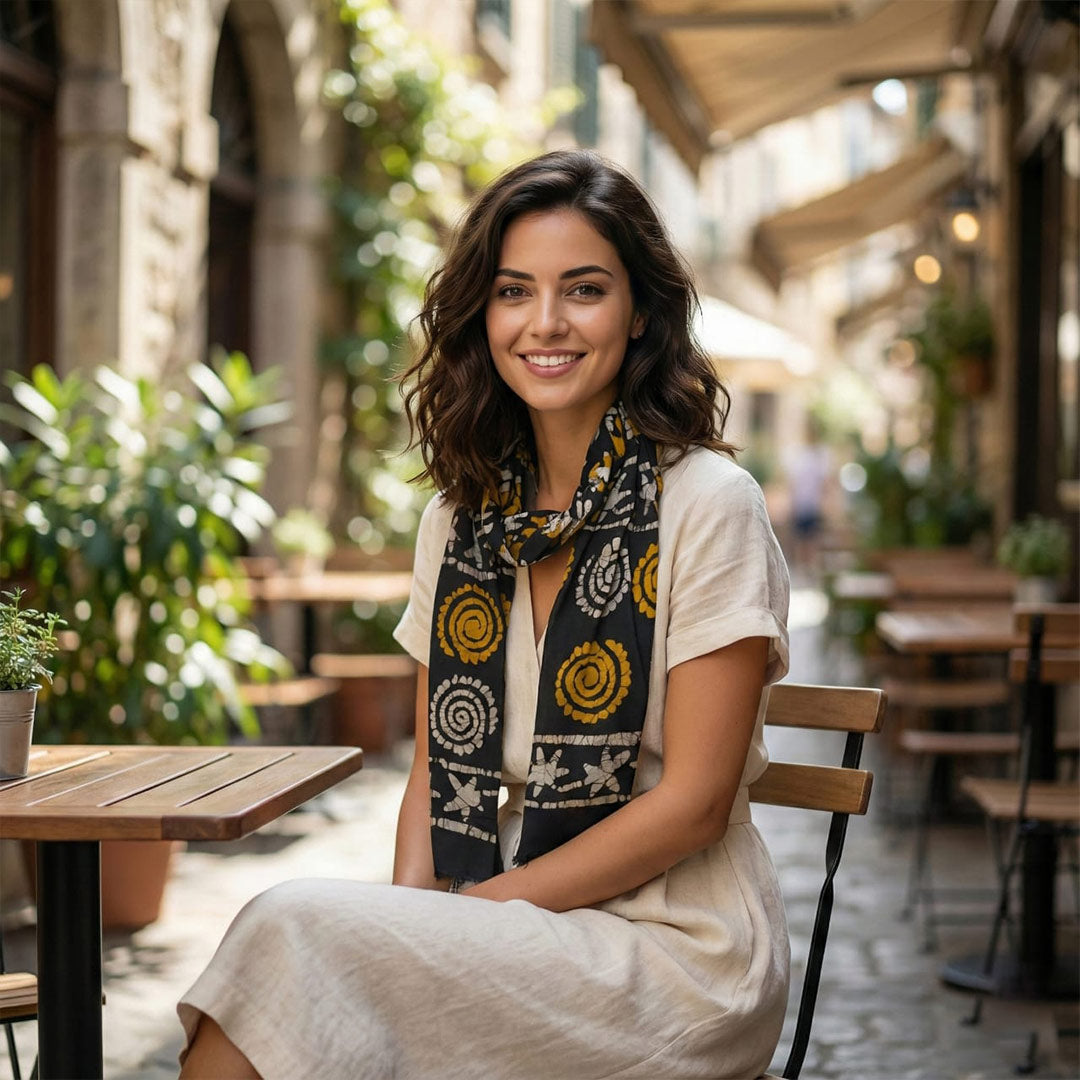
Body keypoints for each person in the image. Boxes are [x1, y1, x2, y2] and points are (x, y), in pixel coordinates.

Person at [177, 150, 791, 1080]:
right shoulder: (459, 520)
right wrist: (407, 931)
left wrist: (467, 919)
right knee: (298, 971)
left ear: (639, 314)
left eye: (583, 290)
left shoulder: (709, 504)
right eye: (514, 292)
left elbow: (695, 807)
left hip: (678, 953)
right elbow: (434, 772)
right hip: (514, 931)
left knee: (286, 930)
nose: (546, 324)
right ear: (482, 316)